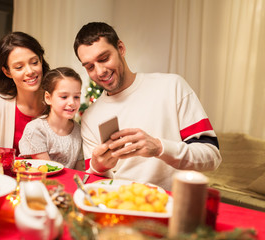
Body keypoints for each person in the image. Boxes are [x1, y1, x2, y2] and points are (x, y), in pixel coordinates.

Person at [73, 22, 222, 190]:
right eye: (90, 67)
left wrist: (160, 148)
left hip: (173, 205)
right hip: (122, 205)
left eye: (104, 58)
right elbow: (94, 182)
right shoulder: (91, 116)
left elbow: (212, 156)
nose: (99, 71)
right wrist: (98, 167)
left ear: (121, 48)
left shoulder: (172, 86)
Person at [0, 32, 50, 155]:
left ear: (41, 60)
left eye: (34, 62)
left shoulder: (59, 101)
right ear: (7, 72)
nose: (30, 71)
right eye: (19, 67)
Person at [18, 67, 84, 170]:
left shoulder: (79, 131)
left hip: (69, 184)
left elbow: (79, 172)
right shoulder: (36, 129)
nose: (72, 103)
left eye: (76, 97)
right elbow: (47, 170)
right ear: (48, 98)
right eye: (64, 97)